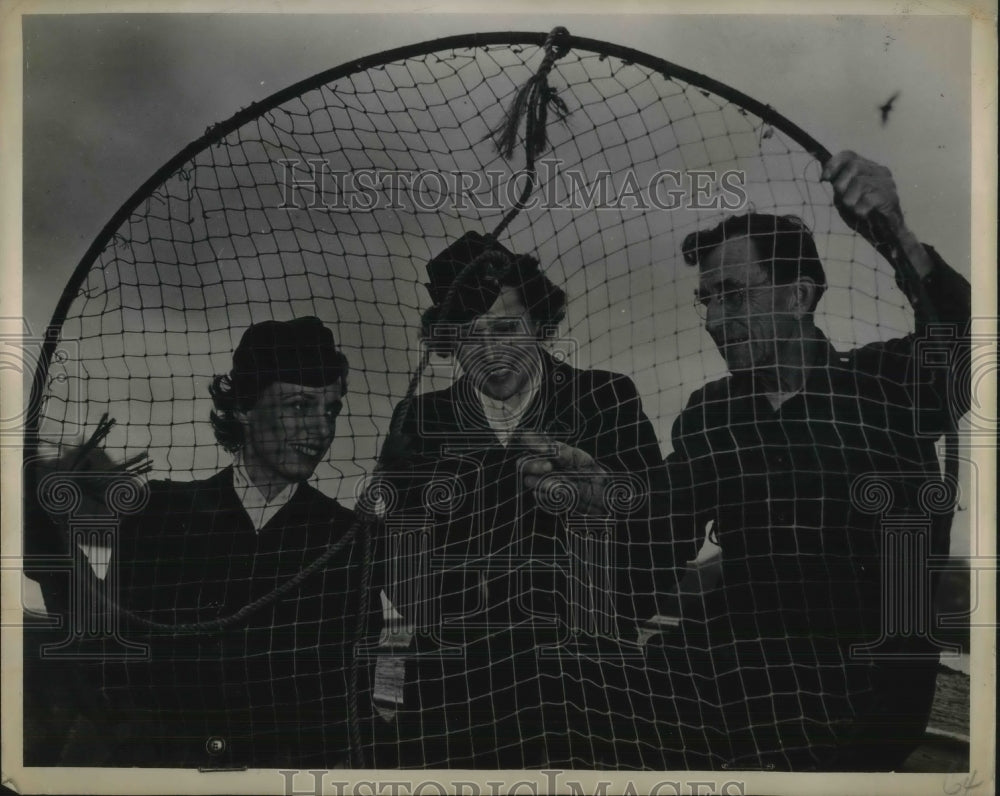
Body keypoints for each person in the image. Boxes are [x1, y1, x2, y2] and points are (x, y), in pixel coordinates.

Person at [647, 151, 971, 771]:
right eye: (707, 301)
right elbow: (658, 536)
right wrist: (597, 493)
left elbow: (968, 345)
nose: (715, 321)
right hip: (724, 686)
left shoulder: (889, 384)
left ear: (798, 295)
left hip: (860, 701)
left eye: (734, 297)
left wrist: (893, 229)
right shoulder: (709, 413)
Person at [373, 232, 693, 769]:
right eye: (470, 336)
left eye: (505, 328)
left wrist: (607, 509)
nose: (490, 353)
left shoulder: (606, 398)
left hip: (593, 703)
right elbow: (401, 578)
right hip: (453, 708)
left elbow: (660, 546)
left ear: (540, 323)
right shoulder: (417, 422)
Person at [36, 317, 363, 768]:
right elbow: (101, 656)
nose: (321, 430)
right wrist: (44, 532)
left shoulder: (349, 537)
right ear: (245, 407)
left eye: (331, 410)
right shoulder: (159, 515)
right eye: (300, 406)